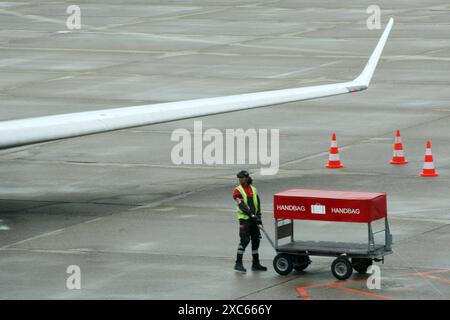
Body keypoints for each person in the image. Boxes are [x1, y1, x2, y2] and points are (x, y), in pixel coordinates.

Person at [233, 170, 267, 273]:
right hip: (245, 219)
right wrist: (252, 215)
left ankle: (255, 263)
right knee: (245, 240)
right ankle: (238, 263)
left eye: (242, 178)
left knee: (256, 239)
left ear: (247, 178)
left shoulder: (254, 189)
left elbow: (258, 204)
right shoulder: (237, 190)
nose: (240, 180)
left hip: (254, 219)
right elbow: (242, 205)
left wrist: (259, 216)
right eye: (239, 178)